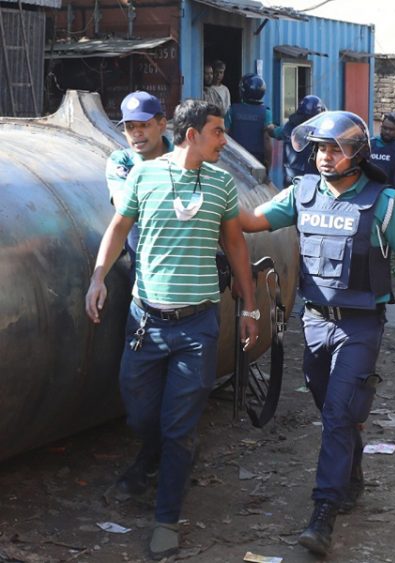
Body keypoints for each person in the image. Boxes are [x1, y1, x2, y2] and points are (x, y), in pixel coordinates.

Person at [239, 110, 395, 557]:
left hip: (360, 324)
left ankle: (323, 512)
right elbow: (251, 222)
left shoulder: (386, 202)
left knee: (336, 414)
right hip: (314, 321)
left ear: (357, 154)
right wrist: (207, 203)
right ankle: (352, 473)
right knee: (334, 407)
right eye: (320, 148)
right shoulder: (301, 193)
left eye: (335, 148)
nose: (325, 157)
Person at [85, 99, 260, 559]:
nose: (225, 140)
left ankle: (166, 517)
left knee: (180, 426)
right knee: (140, 412)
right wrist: (97, 278)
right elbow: (119, 228)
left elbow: (237, 247)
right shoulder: (141, 175)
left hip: (197, 325)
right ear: (191, 135)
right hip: (146, 322)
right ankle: (158, 457)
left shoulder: (223, 183)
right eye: (218, 132)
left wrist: (251, 307)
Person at [105, 91, 173, 286]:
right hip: (143, 276)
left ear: (161, 125)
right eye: (130, 127)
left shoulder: (182, 158)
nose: (136, 133)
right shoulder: (122, 161)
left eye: (144, 125)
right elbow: (123, 205)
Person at [268, 94, 326, 186]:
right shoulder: (319, 132)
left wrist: (269, 128)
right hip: (313, 182)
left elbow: (276, 132)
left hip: (291, 181)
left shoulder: (290, 126)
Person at [227, 73, 273, 167]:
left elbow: (225, 134)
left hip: (235, 157)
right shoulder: (266, 112)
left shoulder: (232, 110)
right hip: (256, 160)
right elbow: (267, 140)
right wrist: (268, 164)